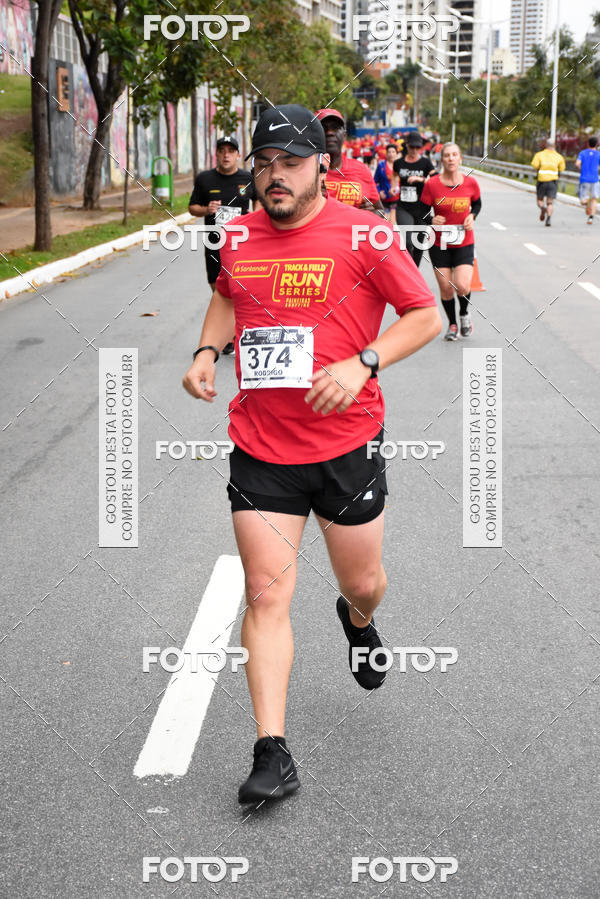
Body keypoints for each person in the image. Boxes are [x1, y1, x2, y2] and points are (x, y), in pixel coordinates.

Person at [182, 103, 441, 805]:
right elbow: (225, 296)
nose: (274, 177)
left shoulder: (364, 233)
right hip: (261, 447)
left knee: (363, 581)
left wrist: (364, 361)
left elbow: (424, 315)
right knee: (266, 593)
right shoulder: (236, 234)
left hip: (345, 444)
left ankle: (357, 621)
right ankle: (273, 750)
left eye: (289, 163)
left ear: (320, 165)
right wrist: (208, 351)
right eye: (265, 163)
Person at [189, 136, 253, 353]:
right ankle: (231, 329)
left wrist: (254, 218)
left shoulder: (248, 178)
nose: (226, 155)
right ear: (216, 154)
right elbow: (192, 208)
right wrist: (206, 209)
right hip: (214, 242)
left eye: (231, 151)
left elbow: (260, 205)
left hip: (241, 243)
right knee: (217, 287)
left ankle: (232, 334)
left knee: (238, 287)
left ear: (237, 154)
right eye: (222, 150)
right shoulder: (205, 179)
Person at [420, 142, 482, 341]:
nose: (451, 158)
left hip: (464, 241)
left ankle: (464, 313)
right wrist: (431, 219)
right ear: (442, 159)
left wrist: (472, 216)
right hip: (440, 244)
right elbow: (420, 211)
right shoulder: (432, 185)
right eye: (447, 155)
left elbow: (478, 203)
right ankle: (452, 324)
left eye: (455, 155)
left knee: (462, 285)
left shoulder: (470, 183)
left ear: (460, 158)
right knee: (446, 287)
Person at [315, 109, 383, 214]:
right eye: (323, 128)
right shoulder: (303, 170)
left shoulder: (361, 169)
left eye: (335, 128)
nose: (330, 132)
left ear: (344, 136)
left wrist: (371, 213)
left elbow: (380, 211)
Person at [393, 131, 436, 268]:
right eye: (412, 147)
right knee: (408, 241)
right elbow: (394, 176)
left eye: (418, 148)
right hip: (403, 207)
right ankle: (408, 270)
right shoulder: (398, 163)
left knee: (418, 244)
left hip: (422, 208)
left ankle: (414, 271)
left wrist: (420, 179)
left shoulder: (425, 162)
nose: (415, 150)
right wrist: (394, 187)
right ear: (407, 146)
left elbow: (435, 179)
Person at [530, 138, 565, 227]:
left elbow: (535, 165)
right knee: (550, 202)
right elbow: (562, 168)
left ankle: (542, 208)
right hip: (553, 181)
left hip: (542, 180)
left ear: (546, 145)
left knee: (540, 200)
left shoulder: (539, 155)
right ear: (554, 146)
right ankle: (548, 218)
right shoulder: (559, 156)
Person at [575, 136, 600, 225]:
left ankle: (587, 204)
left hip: (584, 179)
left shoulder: (583, 153)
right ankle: (591, 218)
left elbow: (577, 164)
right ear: (597, 144)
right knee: (594, 199)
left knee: (583, 201)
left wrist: (581, 168)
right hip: (595, 179)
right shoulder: (598, 154)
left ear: (588, 143)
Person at [374, 143, 399, 221]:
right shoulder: (381, 165)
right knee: (385, 222)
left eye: (393, 152)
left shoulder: (401, 165)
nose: (391, 154)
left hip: (397, 200)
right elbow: (374, 181)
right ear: (386, 153)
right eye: (389, 152)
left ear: (396, 153)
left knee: (392, 222)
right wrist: (379, 191)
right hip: (384, 200)